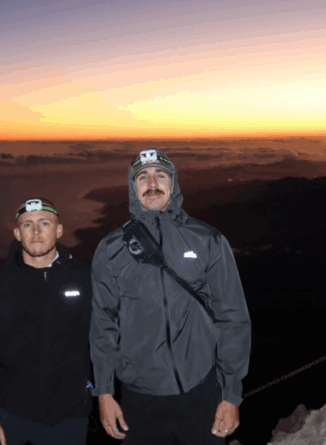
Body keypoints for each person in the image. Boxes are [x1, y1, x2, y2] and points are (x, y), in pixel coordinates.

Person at [90, 147, 252, 444]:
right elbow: (103, 324)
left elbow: (233, 318)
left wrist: (231, 394)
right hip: (139, 398)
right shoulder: (111, 249)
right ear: (133, 187)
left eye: (160, 175)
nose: (152, 183)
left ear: (173, 183)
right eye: (143, 178)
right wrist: (104, 391)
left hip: (202, 391)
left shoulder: (207, 240)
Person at [0, 198, 93, 445]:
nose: (36, 232)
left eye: (44, 223)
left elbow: (105, 340)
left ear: (58, 230)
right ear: (17, 233)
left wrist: (103, 394)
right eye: (27, 225)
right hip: (8, 415)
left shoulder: (84, 278)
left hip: (69, 416)